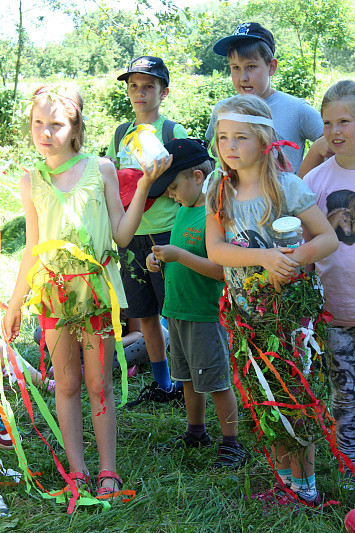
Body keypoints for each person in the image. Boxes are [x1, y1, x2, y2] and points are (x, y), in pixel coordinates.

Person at [2, 84, 171, 500]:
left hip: (96, 293)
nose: (45, 133)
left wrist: (147, 183)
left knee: (99, 384)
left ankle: (108, 470)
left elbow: (122, 234)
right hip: (56, 295)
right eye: (38, 124)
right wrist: (16, 302)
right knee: (67, 383)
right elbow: (32, 247)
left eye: (55, 124)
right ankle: (76, 472)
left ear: (74, 126)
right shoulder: (32, 181)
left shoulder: (101, 169)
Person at [205, 95, 338, 505]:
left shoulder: (288, 188)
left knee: (295, 397)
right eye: (223, 137)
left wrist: (291, 260)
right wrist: (264, 258)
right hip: (247, 318)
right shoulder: (218, 188)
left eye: (240, 137)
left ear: (264, 140)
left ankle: (307, 486)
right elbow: (216, 251)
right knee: (265, 396)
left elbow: (328, 239)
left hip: (288, 318)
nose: (229, 146)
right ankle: (284, 481)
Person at [146, 138, 249, 468]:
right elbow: (179, 256)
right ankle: (196, 431)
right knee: (188, 378)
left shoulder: (212, 216)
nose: (172, 195)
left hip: (204, 313)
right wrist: (159, 260)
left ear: (197, 177)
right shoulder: (183, 210)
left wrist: (179, 255)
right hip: (176, 311)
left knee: (215, 381)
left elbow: (220, 271)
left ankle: (231, 442)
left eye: (174, 187)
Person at [106, 56, 188, 406]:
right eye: (133, 86)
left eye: (149, 86)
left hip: (167, 235)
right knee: (146, 314)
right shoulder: (122, 133)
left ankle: (189, 382)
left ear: (164, 92)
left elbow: (187, 182)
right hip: (130, 235)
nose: (140, 93)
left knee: (177, 312)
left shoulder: (173, 132)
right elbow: (110, 178)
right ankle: (162, 381)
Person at [303, 80, 355, 484]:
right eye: (327, 124)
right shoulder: (316, 180)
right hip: (335, 310)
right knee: (346, 394)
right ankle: (349, 468)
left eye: (345, 121)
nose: (335, 131)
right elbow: (305, 245)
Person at [205, 22, 323, 174]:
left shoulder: (296, 109)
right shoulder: (223, 110)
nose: (243, 77)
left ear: (271, 67)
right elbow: (210, 157)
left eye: (251, 66)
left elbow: (331, 141)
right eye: (235, 67)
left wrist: (305, 179)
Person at [33, 315, 169, 378]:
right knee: (41, 332)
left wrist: (115, 343)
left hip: (120, 348)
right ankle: (85, 365)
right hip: (87, 347)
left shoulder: (125, 293)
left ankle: (80, 366)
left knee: (162, 335)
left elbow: (137, 333)